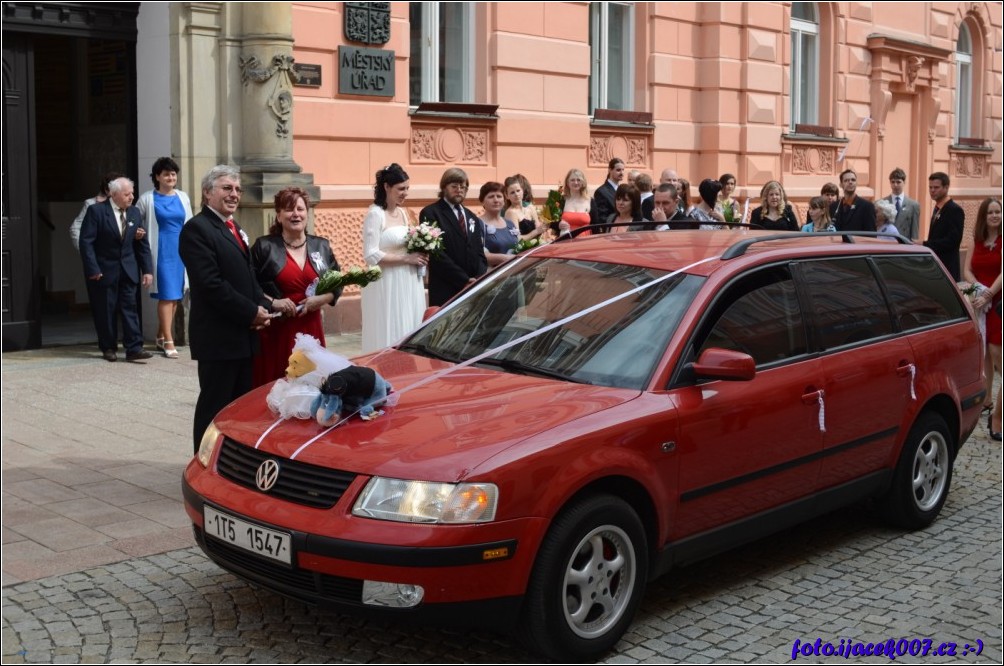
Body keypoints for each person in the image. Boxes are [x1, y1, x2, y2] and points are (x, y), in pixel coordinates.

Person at [179, 164, 273, 454]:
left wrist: (268, 303)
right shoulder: (197, 229)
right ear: (207, 193)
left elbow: (246, 276)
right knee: (215, 406)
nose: (234, 194)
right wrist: (250, 312)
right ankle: (204, 461)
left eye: (237, 189)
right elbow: (211, 284)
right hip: (219, 337)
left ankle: (232, 462)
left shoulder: (234, 227)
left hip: (243, 336)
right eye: (227, 188)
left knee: (240, 406)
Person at [250, 186, 341, 385]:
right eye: (289, 209)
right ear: (279, 215)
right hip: (277, 330)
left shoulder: (321, 246)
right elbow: (249, 284)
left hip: (311, 327)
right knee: (277, 383)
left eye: (300, 209)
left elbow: (338, 282)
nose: (296, 214)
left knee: (311, 383)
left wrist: (322, 299)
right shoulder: (264, 247)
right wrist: (274, 302)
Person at [79, 176, 154, 363]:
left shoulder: (135, 213)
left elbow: (142, 243)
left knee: (130, 308)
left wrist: (147, 270)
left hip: (128, 269)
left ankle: (134, 348)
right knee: (106, 309)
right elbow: (86, 242)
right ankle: (108, 347)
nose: (131, 197)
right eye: (127, 194)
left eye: (132, 193)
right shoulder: (96, 211)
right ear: (113, 194)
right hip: (104, 270)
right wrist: (93, 268)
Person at [359, 164, 427, 354]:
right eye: (401, 189)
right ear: (387, 187)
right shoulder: (375, 214)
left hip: (408, 280)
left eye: (407, 189)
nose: (405, 193)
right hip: (386, 282)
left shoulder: (403, 213)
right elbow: (371, 254)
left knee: (408, 325)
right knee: (390, 326)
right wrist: (407, 259)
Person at [135, 157, 194, 359]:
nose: (171, 177)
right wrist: (139, 232)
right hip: (160, 250)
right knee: (166, 295)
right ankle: (169, 340)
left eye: (173, 174)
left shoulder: (183, 197)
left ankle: (160, 334)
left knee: (176, 296)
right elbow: (135, 220)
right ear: (157, 177)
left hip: (181, 250)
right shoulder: (147, 199)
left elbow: (190, 223)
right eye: (166, 174)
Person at [962, 198, 1002, 440]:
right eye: (991, 212)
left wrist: (989, 293)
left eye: (999, 212)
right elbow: (967, 269)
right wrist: (977, 289)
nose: (996, 216)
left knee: (997, 354)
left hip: (999, 304)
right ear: (984, 217)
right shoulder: (975, 240)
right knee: (985, 353)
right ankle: (987, 399)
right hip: (980, 301)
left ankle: (998, 416)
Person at [421, 167, 488, 306]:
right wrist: (463, 280)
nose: (459, 189)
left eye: (463, 187)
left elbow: (479, 252)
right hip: (445, 287)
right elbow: (436, 253)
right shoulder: (431, 213)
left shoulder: (472, 218)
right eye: (454, 186)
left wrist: (478, 278)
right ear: (444, 187)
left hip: (473, 288)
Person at [924, 171, 965, 280]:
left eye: (936, 187)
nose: (932, 190)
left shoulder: (954, 210)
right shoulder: (937, 208)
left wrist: (925, 244)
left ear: (946, 187)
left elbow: (953, 241)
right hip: (936, 267)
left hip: (948, 269)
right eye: (930, 187)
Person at [70, 171, 124, 250]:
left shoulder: (125, 202)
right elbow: (75, 228)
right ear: (107, 190)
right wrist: (86, 251)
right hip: (100, 255)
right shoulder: (91, 203)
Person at [480, 181, 519, 265]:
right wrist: (506, 258)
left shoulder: (510, 224)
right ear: (482, 201)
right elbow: (478, 254)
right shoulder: (478, 224)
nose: (496, 200)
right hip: (492, 275)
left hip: (514, 274)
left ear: (504, 201)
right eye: (491, 197)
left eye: (499, 196)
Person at [882, 167, 921, 240]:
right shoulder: (883, 203)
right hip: (887, 243)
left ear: (904, 182)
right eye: (893, 182)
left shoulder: (913, 205)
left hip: (904, 244)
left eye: (898, 182)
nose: (895, 185)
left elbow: (915, 231)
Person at [503, 175, 544, 239]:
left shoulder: (531, 208)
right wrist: (536, 232)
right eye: (512, 192)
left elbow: (539, 229)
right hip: (523, 248)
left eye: (518, 190)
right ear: (507, 196)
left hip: (537, 246)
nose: (516, 194)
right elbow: (516, 239)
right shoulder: (511, 213)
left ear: (523, 191)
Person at [591, 157, 624, 232]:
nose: (622, 173)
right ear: (610, 170)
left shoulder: (622, 189)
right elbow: (602, 218)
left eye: (623, 170)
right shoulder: (601, 192)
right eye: (618, 170)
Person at [559, 168, 591, 236]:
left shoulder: (590, 201)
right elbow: (552, 223)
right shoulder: (562, 200)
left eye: (578, 180)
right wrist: (558, 225)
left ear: (583, 182)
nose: (576, 182)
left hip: (585, 242)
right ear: (567, 183)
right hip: (565, 241)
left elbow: (596, 225)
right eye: (572, 180)